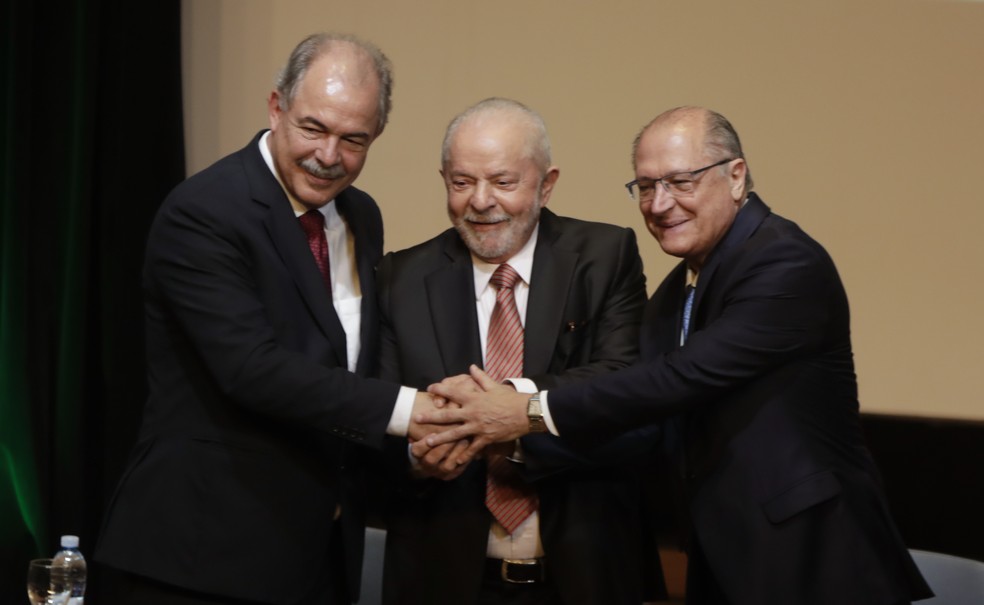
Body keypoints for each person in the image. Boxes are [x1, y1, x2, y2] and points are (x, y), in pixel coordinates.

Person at [418, 106, 934, 605]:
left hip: (814, 557)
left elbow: (676, 379)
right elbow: (645, 422)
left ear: (736, 176)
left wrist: (525, 410)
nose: (659, 204)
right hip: (722, 555)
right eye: (645, 186)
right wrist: (503, 442)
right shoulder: (677, 291)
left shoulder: (785, 262)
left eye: (681, 182)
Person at [95, 33, 441, 605]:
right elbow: (251, 368)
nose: (329, 156)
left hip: (318, 554)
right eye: (314, 128)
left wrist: (415, 446)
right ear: (276, 107)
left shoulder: (360, 215)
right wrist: (412, 409)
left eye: (353, 139)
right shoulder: (204, 211)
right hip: (200, 558)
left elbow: (349, 363)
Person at [374, 98, 663, 605]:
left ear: (546, 184)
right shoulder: (402, 277)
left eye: (503, 182)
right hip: (443, 578)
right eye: (461, 182)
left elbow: (624, 389)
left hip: (583, 574)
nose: (480, 201)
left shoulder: (604, 256)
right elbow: (378, 421)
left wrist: (508, 412)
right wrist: (418, 460)